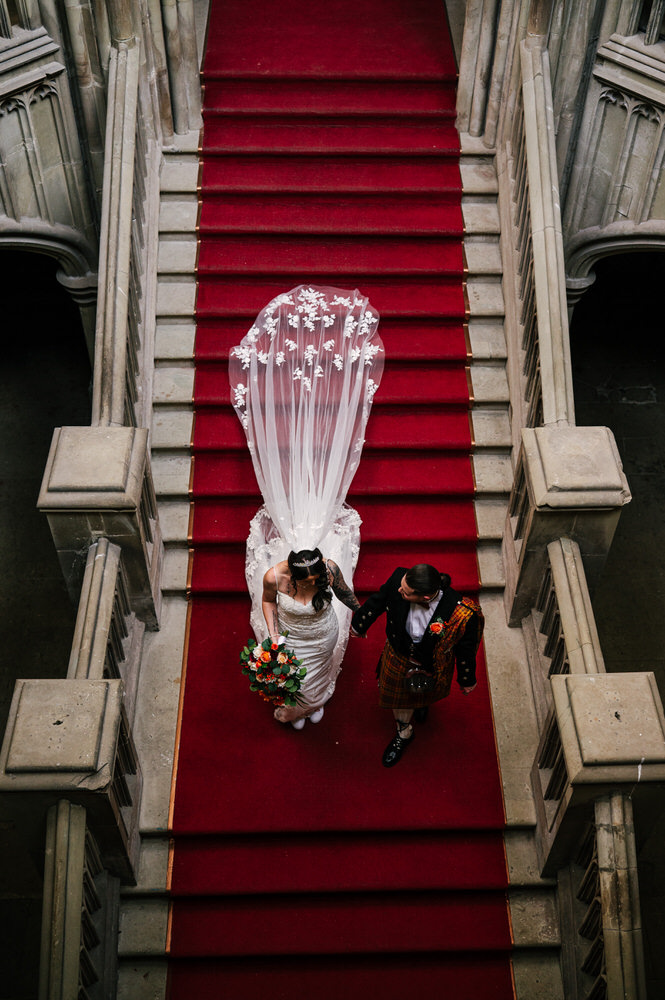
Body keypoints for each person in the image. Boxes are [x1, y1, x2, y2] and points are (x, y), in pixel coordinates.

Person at [351, 563, 483, 766]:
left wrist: (467, 679)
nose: (399, 590)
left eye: (405, 592)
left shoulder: (462, 612)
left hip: (432, 665)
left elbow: (466, 649)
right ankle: (404, 732)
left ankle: (422, 703)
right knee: (400, 702)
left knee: (424, 694)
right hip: (399, 655)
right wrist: (359, 625)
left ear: (426, 597)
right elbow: (377, 601)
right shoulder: (399, 579)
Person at [262, 547, 360, 730]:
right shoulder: (273, 577)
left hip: (323, 634)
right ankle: (299, 708)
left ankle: (316, 702)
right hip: (292, 635)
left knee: (319, 671)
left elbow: (344, 593)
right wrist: (274, 635)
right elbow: (268, 601)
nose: (313, 583)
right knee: (295, 679)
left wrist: (363, 617)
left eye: (315, 578)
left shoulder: (329, 569)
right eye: (306, 581)